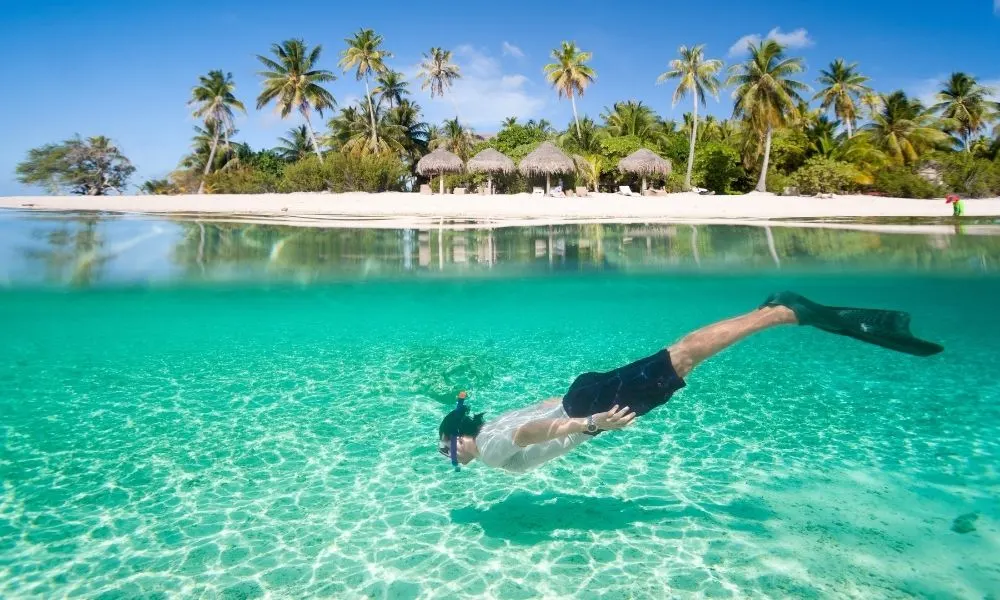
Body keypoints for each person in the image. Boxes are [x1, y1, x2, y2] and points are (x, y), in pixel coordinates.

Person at [437, 292, 943, 473]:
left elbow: (530, 432)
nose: (451, 456)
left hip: (585, 408)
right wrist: (581, 408)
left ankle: (784, 312)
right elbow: (541, 408)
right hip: (578, 395)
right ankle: (770, 311)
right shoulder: (490, 426)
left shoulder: (493, 448)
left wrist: (591, 424)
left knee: (679, 358)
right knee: (678, 359)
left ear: (459, 436)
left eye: (447, 448)